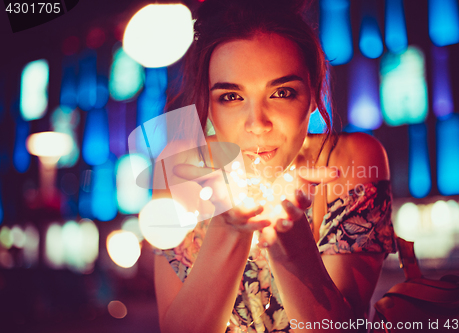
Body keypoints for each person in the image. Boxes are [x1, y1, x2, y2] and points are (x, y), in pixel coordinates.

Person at [153, 0, 397, 332]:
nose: (257, 124)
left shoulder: (350, 162)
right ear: (208, 105)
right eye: (232, 97)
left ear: (313, 96)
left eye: (281, 92)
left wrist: (290, 242)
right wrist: (229, 230)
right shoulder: (181, 167)